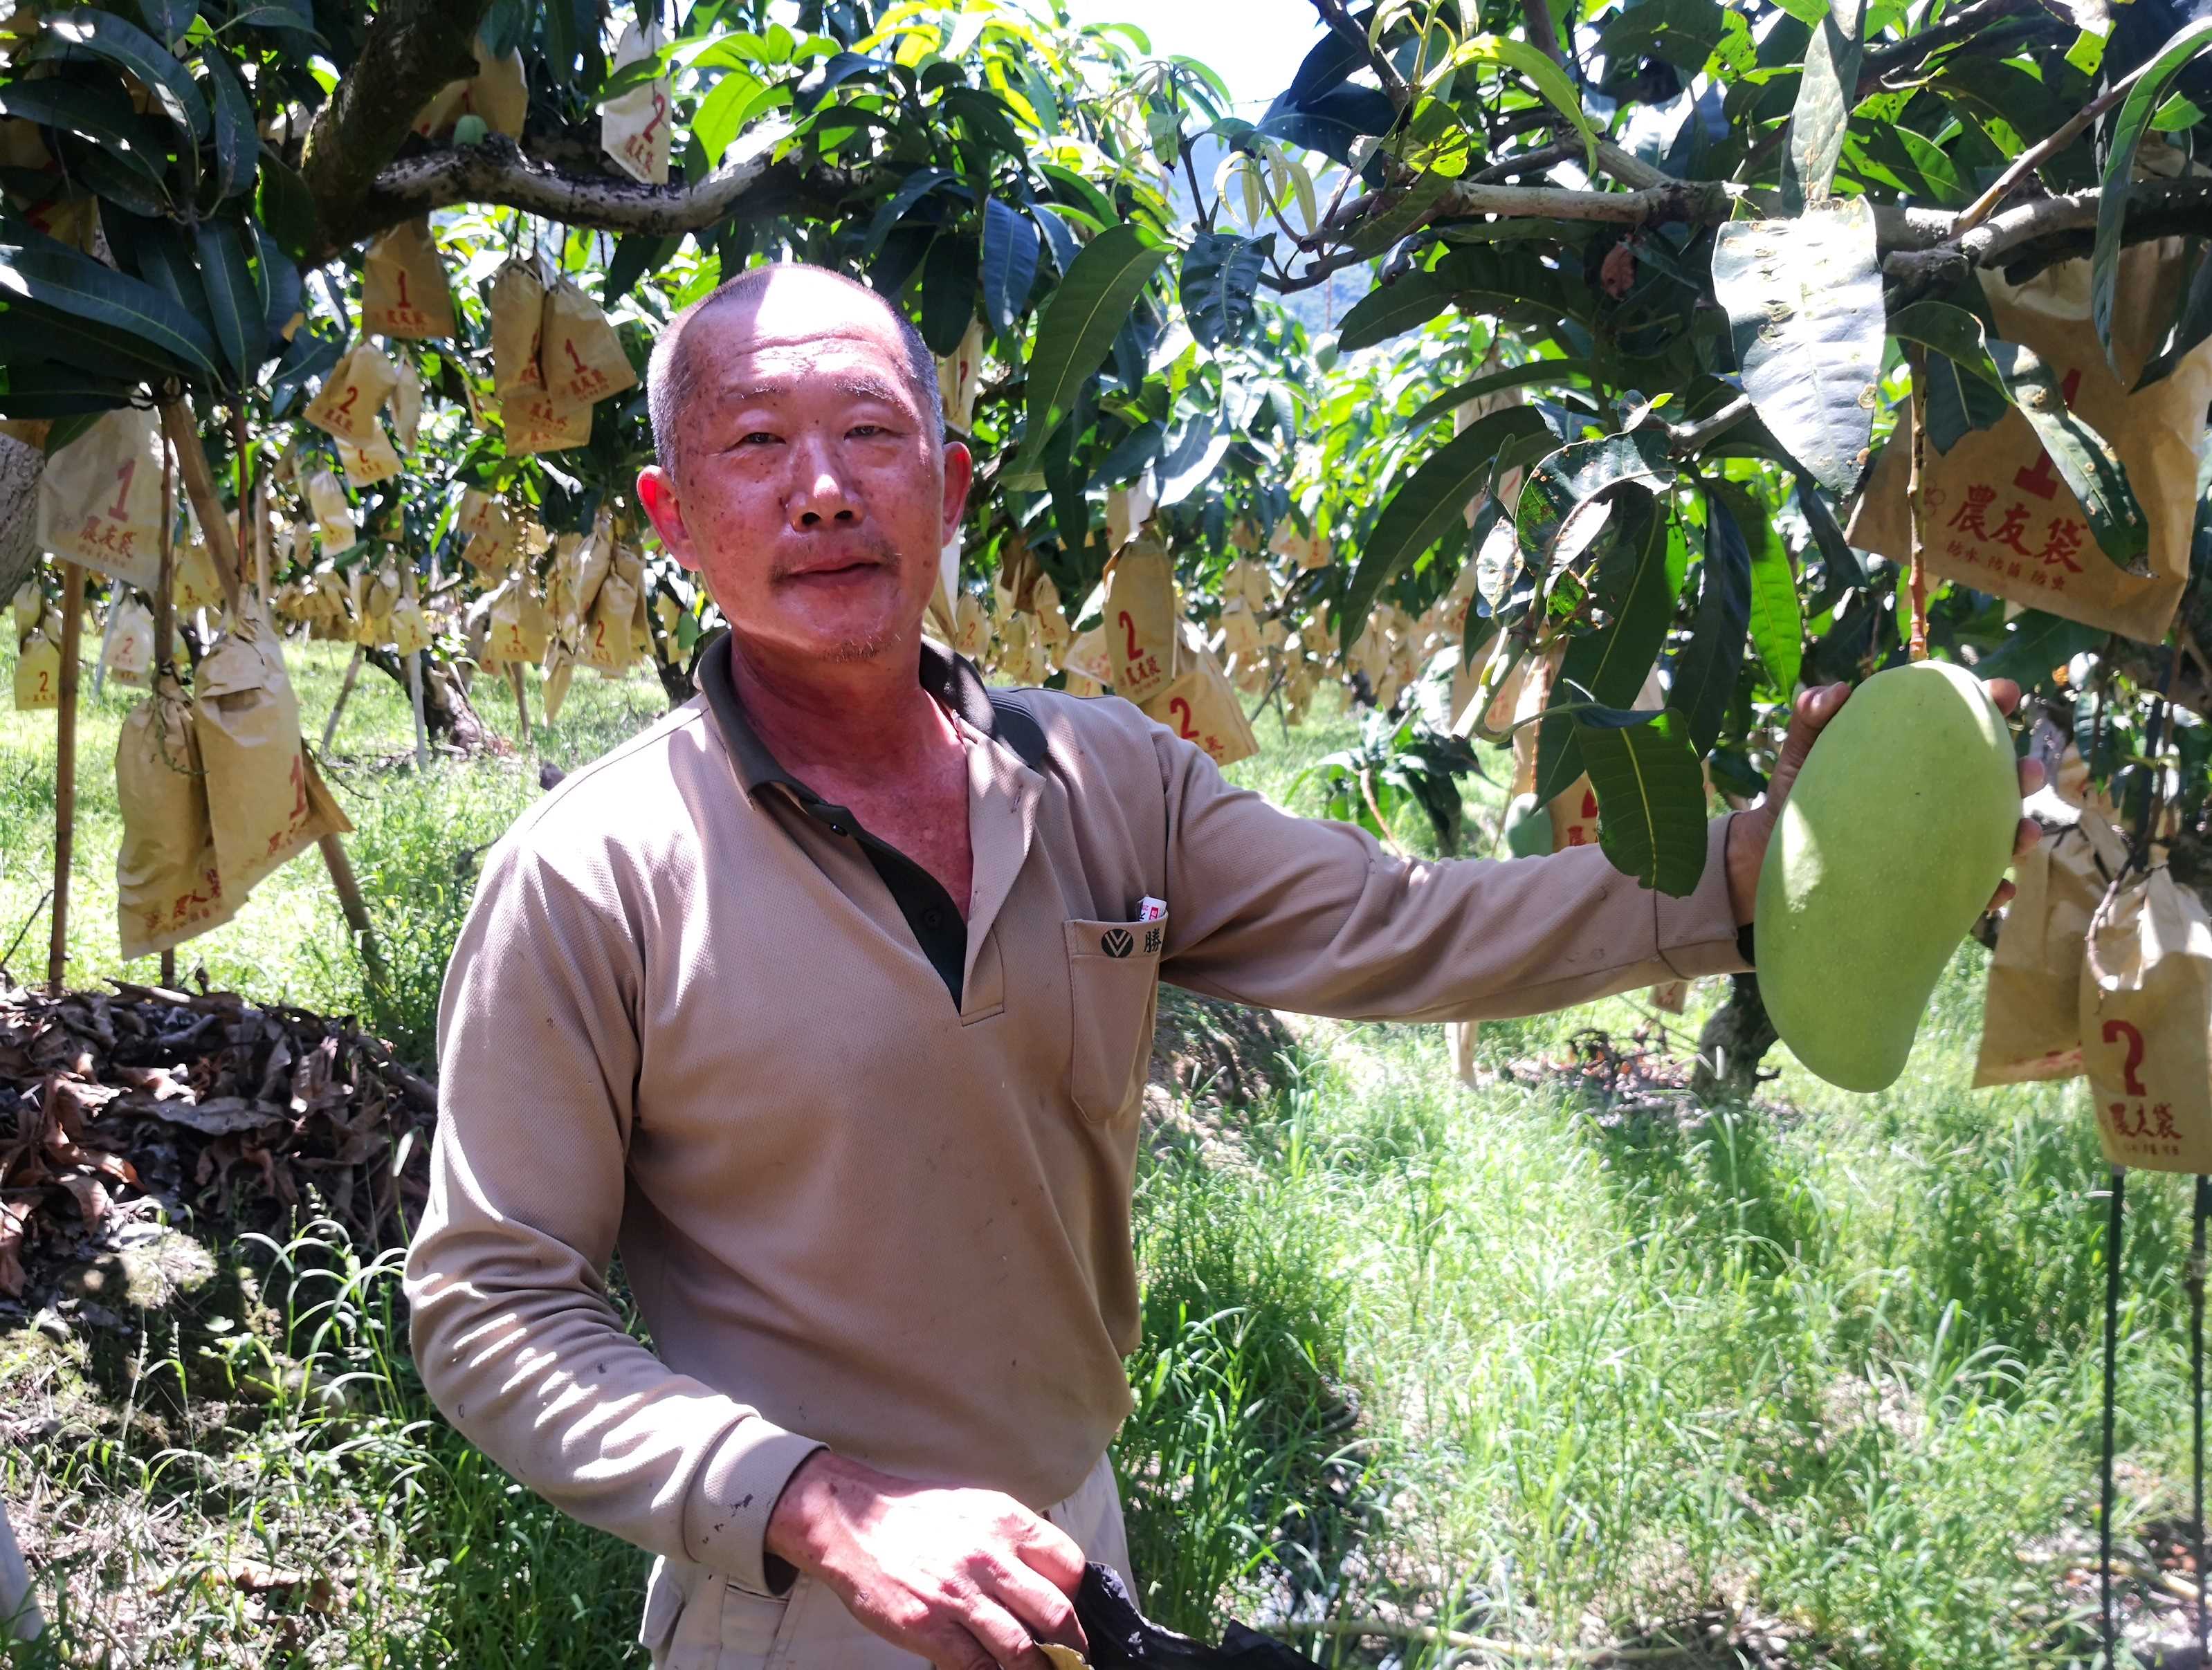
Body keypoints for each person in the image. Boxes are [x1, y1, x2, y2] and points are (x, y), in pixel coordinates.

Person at [402, 264, 2042, 1670]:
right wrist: (818, 1504)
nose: (822, 489)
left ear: (951, 486)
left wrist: (1745, 871)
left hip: (1069, 1544)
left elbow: (1409, 919)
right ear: (675, 518)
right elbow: (489, 1302)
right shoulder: (594, 869)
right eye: (757, 446)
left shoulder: (1107, 779)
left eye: (870, 435)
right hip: (793, 1606)